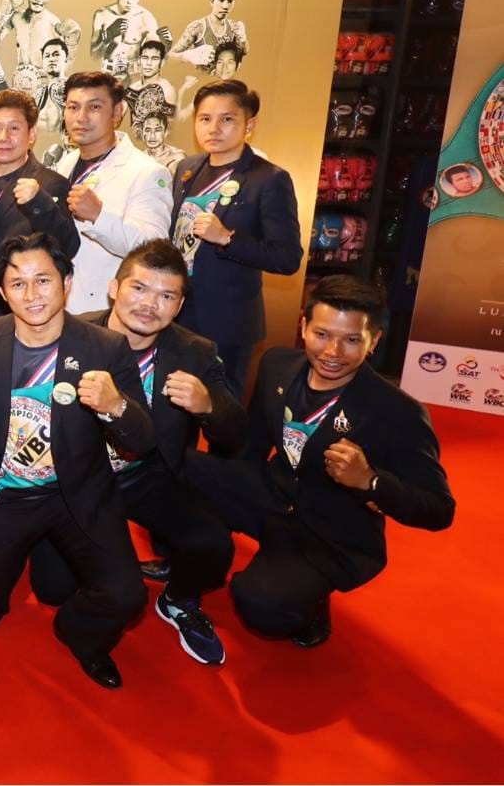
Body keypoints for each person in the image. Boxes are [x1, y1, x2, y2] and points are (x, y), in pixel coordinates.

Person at [186, 277, 454, 648]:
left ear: (374, 341)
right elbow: (252, 445)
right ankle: (191, 559)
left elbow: (439, 510)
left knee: (260, 603)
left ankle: (310, 603)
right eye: (322, 334)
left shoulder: (399, 412)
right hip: (272, 493)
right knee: (172, 467)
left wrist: (371, 481)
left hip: (327, 530)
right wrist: (208, 512)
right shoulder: (277, 365)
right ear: (303, 326)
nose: (333, 351)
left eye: (352, 339)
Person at [27, 240, 247, 666]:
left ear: (179, 305)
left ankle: (178, 600)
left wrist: (209, 406)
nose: (149, 305)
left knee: (213, 545)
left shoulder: (195, 352)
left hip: (149, 472)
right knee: (54, 589)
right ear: (114, 288)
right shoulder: (69, 335)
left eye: (166, 296)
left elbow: (236, 432)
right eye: (140, 288)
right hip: (77, 479)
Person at [0, 232, 155, 689]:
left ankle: (77, 632)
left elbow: (142, 440)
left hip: (76, 495)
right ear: (3, 293)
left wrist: (115, 406)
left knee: (126, 595)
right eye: (18, 283)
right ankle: (39, 552)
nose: (32, 294)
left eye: (43, 280)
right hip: (4, 496)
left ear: (66, 282)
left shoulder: (105, 347)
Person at [170, 80, 303, 396]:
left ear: (249, 125)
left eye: (227, 119)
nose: (213, 128)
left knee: (219, 407)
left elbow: (287, 258)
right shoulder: (187, 168)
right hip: (177, 311)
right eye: (205, 118)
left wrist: (227, 238)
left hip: (227, 321)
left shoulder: (269, 178)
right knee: (172, 401)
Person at [53, 71, 172, 315]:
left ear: (117, 113)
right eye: (73, 107)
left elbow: (155, 250)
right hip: (61, 304)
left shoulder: (147, 172)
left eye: (94, 107)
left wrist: (99, 217)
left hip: (105, 309)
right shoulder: (66, 163)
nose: (81, 117)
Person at [0, 90, 79, 323]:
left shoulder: (49, 184)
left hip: (13, 315)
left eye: (14, 128)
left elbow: (67, 246)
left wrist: (39, 202)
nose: (4, 137)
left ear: (31, 134)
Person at [90, 0, 165, 80]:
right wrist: (109, 35)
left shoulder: (146, 17)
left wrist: (166, 45)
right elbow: (94, 57)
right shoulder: (102, 15)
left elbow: (156, 59)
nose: (131, 0)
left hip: (134, 76)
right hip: (107, 76)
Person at [172, 0, 249, 74]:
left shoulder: (234, 26)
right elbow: (168, 58)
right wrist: (188, 56)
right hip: (202, 81)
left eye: (230, 1)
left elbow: (244, 52)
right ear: (212, 1)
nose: (225, 6)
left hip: (224, 81)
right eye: (221, 0)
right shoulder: (198, 27)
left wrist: (243, 39)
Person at [136, 107, 187, 173]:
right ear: (142, 133)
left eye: (157, 130)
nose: (152, 135)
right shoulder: (139, 159)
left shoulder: (176, 156)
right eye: (148, 130)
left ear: (165, 132)